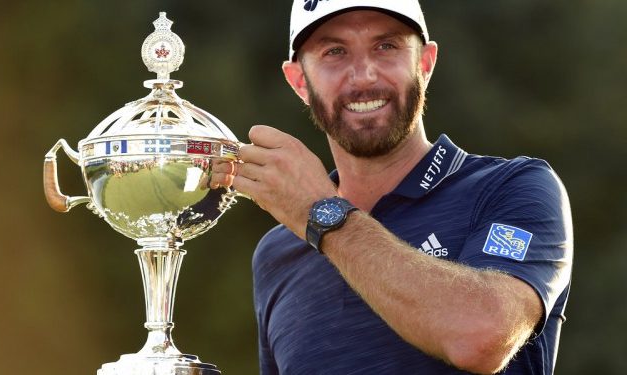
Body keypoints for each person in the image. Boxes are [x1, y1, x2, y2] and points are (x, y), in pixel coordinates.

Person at [211, 1, 573, 374]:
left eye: (386, 46)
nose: (364, 76)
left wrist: (321, 215)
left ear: (425, 64)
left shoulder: (512, 187)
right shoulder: (278, 251)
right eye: (335, 52)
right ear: (299, 81)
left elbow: (481, 337)